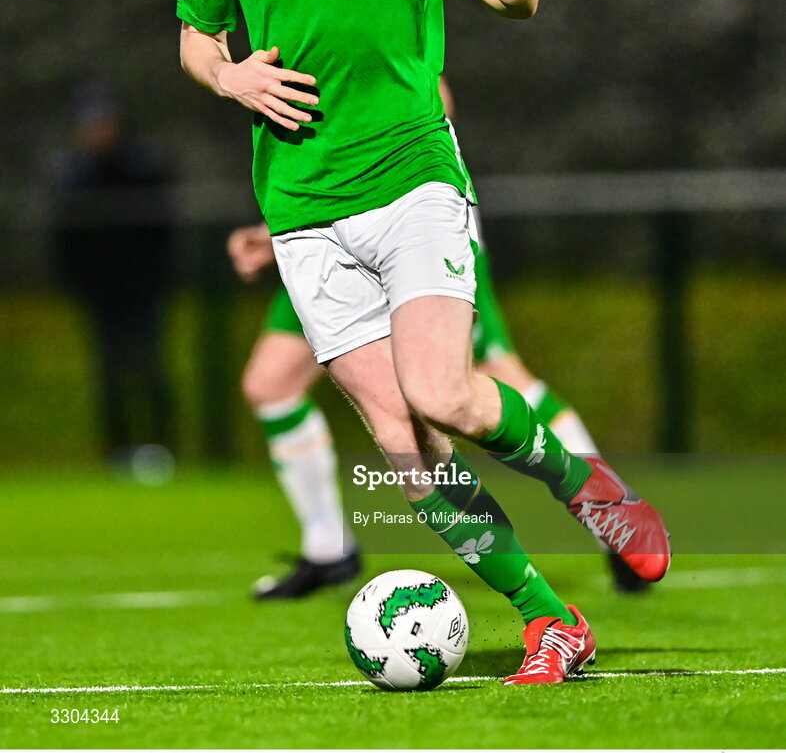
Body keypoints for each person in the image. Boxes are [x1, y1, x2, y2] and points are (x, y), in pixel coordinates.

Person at [177, 0, 670, 684]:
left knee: (445, 391)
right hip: (303, 214)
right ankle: (550, 619)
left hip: (411, 183)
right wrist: (229, 74)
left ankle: (593, 491)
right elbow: (196, 40)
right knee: (406, 448)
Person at [229, 79, 647, 600]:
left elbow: (429, 98)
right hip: (316, 229)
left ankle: (610, 514)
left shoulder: (379, 1)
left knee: (480, 381)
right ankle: (328, 547)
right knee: (272, 384)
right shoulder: (269, 13)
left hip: (413, 221)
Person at [49, 80, 178, 469]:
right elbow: (64, 242)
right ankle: (116, 453)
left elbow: (163, 232)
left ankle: (165, 448)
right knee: (109, 373)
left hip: (144, 289)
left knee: (152, 368)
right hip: (100, 292)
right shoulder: (72, 175)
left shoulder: (145, 166)